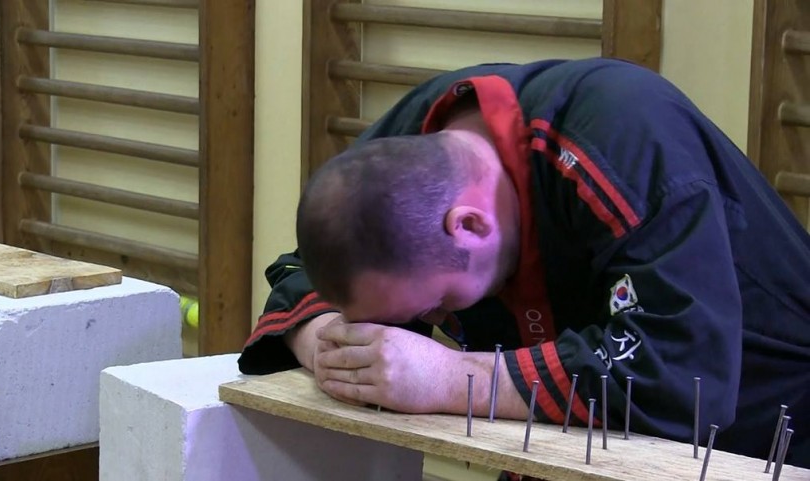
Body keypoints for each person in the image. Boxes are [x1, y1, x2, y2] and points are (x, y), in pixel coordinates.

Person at [238, 58, 810, 469]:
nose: (421, 323)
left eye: (437, 305)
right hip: (576, 443)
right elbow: (317, 267)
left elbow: (681, 373)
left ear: (469, 226)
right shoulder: (421, 137)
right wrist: (328, 345)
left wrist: (453, 379)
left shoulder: (630, 141)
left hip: (761, 431)